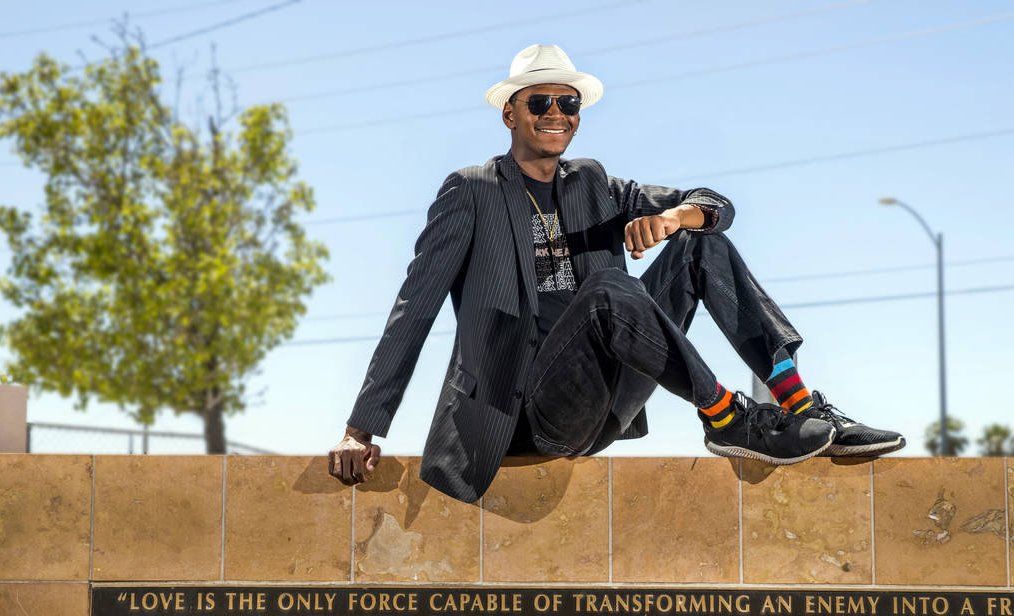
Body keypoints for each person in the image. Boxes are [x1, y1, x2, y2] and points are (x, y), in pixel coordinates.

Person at [328, 45, 904, 502]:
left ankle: (799, 406)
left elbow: (716, 205)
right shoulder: (471, 192)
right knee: (608, 289)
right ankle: (726, 416)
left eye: (568, 103)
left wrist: (677, 217)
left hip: (605, 398)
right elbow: (415, 308)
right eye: (539, 103)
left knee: (700, 244)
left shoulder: (595, 184)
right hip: (522, 410)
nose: (556, 113)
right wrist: (362, 428)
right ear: (510, 112)